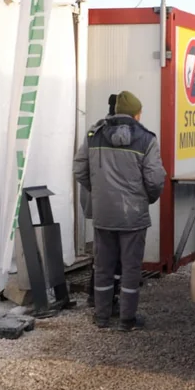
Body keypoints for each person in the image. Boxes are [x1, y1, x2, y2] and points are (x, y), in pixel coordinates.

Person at [74, 91, 166, 331]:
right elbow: (155, 179)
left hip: (103, 215)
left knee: (103, 268)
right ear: (137, 114)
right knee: (130, 269)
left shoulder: (94, 135)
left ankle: (102, 317)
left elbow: (79, 170)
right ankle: (127, 320)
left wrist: (100, 192)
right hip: (133, 216)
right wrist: (147, 199)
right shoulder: (146, 140)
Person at [82, 94, 122, 313]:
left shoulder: (94, 131)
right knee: (114, 254)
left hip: (96, 201)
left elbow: (80, 167)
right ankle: (108, 299)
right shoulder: (126, 134)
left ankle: (94, 294)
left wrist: (94, 189)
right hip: (116, 204)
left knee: (101, 251)